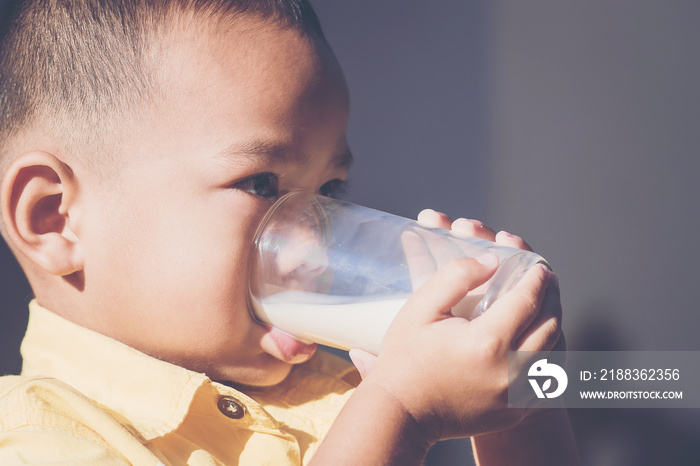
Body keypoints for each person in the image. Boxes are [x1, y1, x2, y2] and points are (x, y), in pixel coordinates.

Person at [0, 1, 578, 464]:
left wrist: (524, 405)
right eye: (259, 184)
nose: (312, 243)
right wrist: (400, 409)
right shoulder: (38, 441)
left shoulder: (348, 386)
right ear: (54, 218)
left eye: (329, 193)